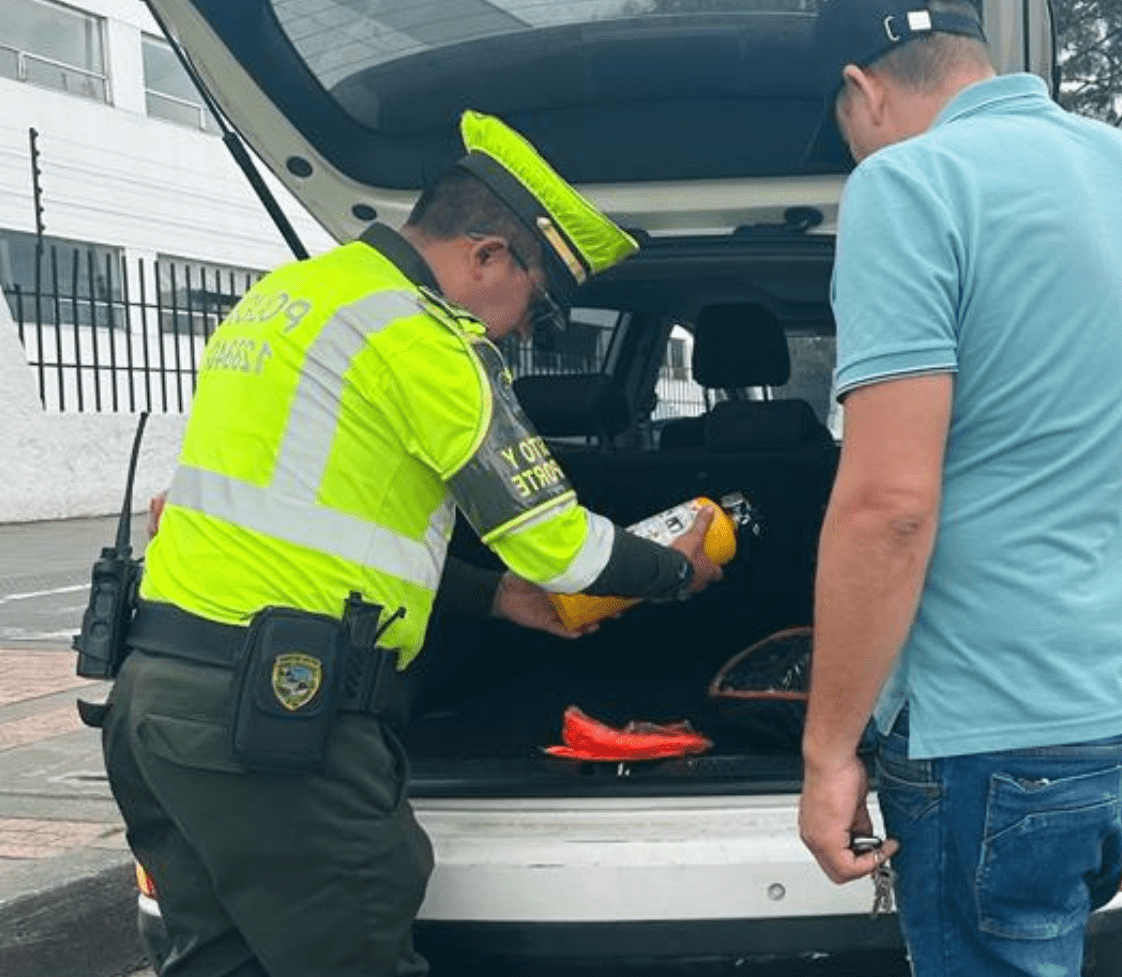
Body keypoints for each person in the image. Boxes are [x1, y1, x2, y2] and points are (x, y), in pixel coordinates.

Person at [103, 109, 722, 977]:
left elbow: (323, 526)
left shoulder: (289, 298)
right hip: (276, 727)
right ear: (488, 255)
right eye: (538, 306)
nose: (520, 330)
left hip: (157, 704)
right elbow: (561, 548)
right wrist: (675, 570)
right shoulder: (421, 336)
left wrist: (495, 597)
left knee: (219, 961)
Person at [797, 0, 1122, 976]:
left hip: (990, 737)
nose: (854, 149)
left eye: (844, 126)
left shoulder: (906, 183)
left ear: (862, 88)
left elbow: (887, 507)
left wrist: (828, 751)